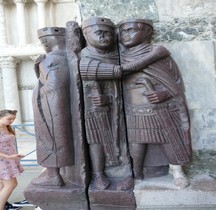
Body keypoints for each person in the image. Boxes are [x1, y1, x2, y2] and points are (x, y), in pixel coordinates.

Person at [118, 19, 192, 188]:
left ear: (147, 33)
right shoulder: (120, 57)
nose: (125, 35)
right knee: (135, 143)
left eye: (131, 30)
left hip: (160, 108)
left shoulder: (161, 57)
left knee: (168, 139)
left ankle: (177, 170)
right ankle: (136, 173)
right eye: (122, 31)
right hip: (132, 108)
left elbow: (177, 83)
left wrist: (164, 93)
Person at [80, 17, 133, 190]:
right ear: (87, 34)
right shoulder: (85, 56)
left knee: (121, 140)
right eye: (99, 33)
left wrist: (109, 99)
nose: (105, 37)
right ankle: (98, 174)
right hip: (94, 111)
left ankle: (125, 171)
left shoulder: (117, 55)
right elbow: (87, 76)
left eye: (109, 34)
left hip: (117, 108)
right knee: (96, 141)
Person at [31, 27, 74, 187]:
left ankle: (54, 176)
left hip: (50, 107)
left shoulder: (49, 59)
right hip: (57, 106)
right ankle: (57, 173)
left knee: (50, 138)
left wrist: (40, 90)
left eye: (44, 41)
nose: (43, 44)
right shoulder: (67, 58)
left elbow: (54, 85)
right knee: (56, 137)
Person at [0, 110, 25, 210]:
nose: (11, 121)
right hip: (3, 161)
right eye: (9, 118)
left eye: (13, 119)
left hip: (9, 160)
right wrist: (8, 157)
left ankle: (5, 205)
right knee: (11, 184)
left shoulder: (7, 127)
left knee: (2, 185)